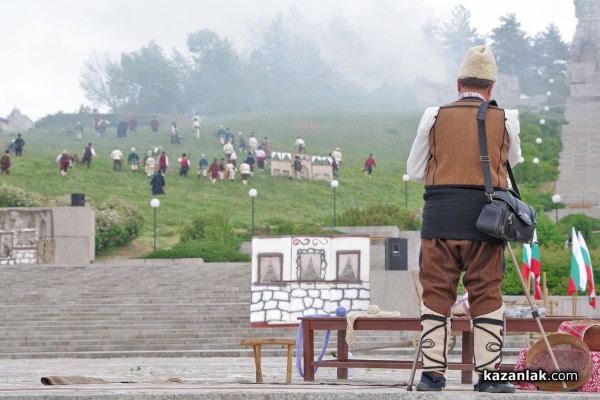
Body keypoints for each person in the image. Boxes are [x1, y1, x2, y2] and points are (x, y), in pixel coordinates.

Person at [406, 45, 521, 393]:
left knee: (436, 294)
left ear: (459, 83)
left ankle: (432, 376)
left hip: (439, 220)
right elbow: (511, 162)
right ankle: (488, 377)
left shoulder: (433, 115)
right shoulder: (506, 118)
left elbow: (413, 171)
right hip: (485, 221)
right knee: (487, 293)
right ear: (491, 87)